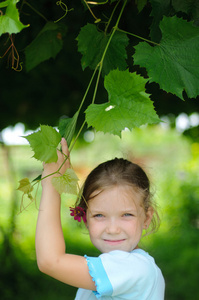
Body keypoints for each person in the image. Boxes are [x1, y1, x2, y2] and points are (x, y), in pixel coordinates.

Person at [36, 138, 165, 299]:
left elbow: (50, 261)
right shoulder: (99, 276)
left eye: (126, 215)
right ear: (85, 218)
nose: (112, 229)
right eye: (99, 215)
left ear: (146, 218)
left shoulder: (136, 270)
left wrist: (52, 184)